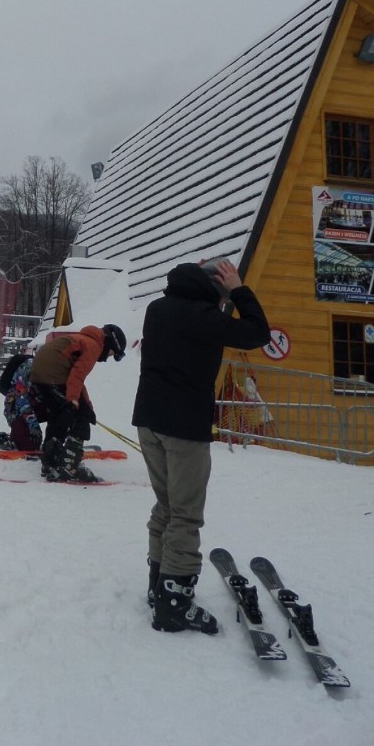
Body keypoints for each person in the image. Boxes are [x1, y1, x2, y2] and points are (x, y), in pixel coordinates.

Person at [133, 257, 269, 635]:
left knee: (167, 505)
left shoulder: (157, 308)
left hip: (149, 420)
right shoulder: (203, 317)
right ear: (214, 288)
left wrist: (221, 297)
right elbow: (258, 333)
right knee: (186, 514)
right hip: (183, 428)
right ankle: (174, 604)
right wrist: (239, 290)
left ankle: (159, 586)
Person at [29, 324, 126, 482]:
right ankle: (70, 466)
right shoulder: (94, 345)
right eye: (110, 354)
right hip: (54, 373)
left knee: (58, 415)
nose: (107, 358)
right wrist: (75, 403)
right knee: (79, 417)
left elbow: (77, 381)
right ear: (110, 343)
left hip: (40, 373)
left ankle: (51, 463)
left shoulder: (82, 339)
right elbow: (77, 376)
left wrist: (87, 404)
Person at [0, 351, 47, 451]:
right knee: (29, 447)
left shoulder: (59, 370)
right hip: (17, 407)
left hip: (36, 404)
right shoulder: (28, 368)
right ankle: (16, 436)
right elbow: (21, 401)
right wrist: (33, 426)